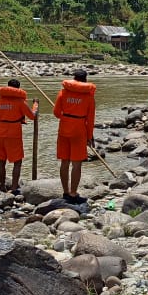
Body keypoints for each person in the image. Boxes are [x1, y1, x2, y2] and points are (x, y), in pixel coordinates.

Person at [54, 69, 96, 205]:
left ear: (73, 78)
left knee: (64, 162)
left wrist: (66, 116)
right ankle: (73, 193)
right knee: (76, 163)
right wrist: (89, 137)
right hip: (79, 129)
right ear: (85, 80)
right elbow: (90, 119)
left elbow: (56, 112)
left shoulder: (63, 92)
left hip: (64, 127)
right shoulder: (89, 96)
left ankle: (65, 192)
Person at [0, 79, 38, 193]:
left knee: (2, 161)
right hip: (14, 133)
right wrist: (35, 104)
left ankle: (2, 186)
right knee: (17, 161)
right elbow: (32, 116)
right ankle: (14, 187)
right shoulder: (20, 102)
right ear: (18, 89)